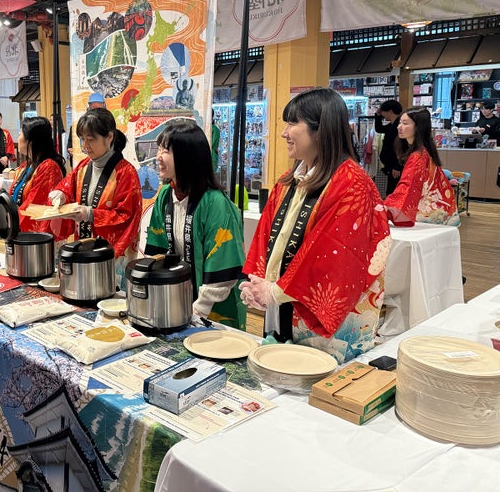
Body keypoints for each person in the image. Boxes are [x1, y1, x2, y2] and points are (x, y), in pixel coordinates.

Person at [239, 88, 391, 364]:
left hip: (325, 320)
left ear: (320, 129)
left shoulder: (352, 183)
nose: (284, 133)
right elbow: (267, 237)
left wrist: (274, 291)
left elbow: (334, 255)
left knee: (318, 376)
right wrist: (259, 283)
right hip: (283, 304)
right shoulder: (288, 180)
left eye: (292, 123)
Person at [144, 119, 246, 329]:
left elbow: (223, 267)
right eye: (160, 149)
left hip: (214, 309)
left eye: (166, 151)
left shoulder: (215, 203)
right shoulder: (165, 195)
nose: (158, 156)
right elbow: (158, 254)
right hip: (177, 302)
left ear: (187, 156)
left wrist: (197, 310)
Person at [48, 107, 142, 263]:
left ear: (109, 136)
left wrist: (91, 214)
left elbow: (126, 218)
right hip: (83, 246)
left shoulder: (126, 173)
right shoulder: (83, 166)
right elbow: (67, 187)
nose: (85, 145)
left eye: (91, 139)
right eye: (82, 139)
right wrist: (61, 195)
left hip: (110, 256)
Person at [384, 107, 459, 227]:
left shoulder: (418, 156)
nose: (399, 127)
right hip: (438, 210)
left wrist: (386, 208)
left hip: (429, 215)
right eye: (400, 122)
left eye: (405, 123)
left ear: (418, 127)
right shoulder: (423, 151)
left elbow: (408, 185)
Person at [11, 116, 67, 233]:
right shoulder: (27, 165)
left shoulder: (48, 167)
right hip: (19, 231)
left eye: (20, 134)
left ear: (30, 142)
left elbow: (35, 205)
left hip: (36, 237)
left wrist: (11, 220)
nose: (18, 138)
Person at [67, 92, 106, 166]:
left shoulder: (107, 125)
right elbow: (70, 146)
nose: (96, 111)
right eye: (94, 108)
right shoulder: (80, 125)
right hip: (85, 162)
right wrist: (71, 150)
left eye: (99, 108)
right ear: (89, 107)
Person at [374, 99, 403, 195]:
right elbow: (379, 129)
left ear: (390, 111)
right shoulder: (392, 125)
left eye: (383, 112)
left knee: (393, 192)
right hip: (391, 166)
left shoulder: (399, 126)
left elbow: (403, 147)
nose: (383, 114)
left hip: (395, 166)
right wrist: (378, 116)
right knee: (391, 191)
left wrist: (398, 166)